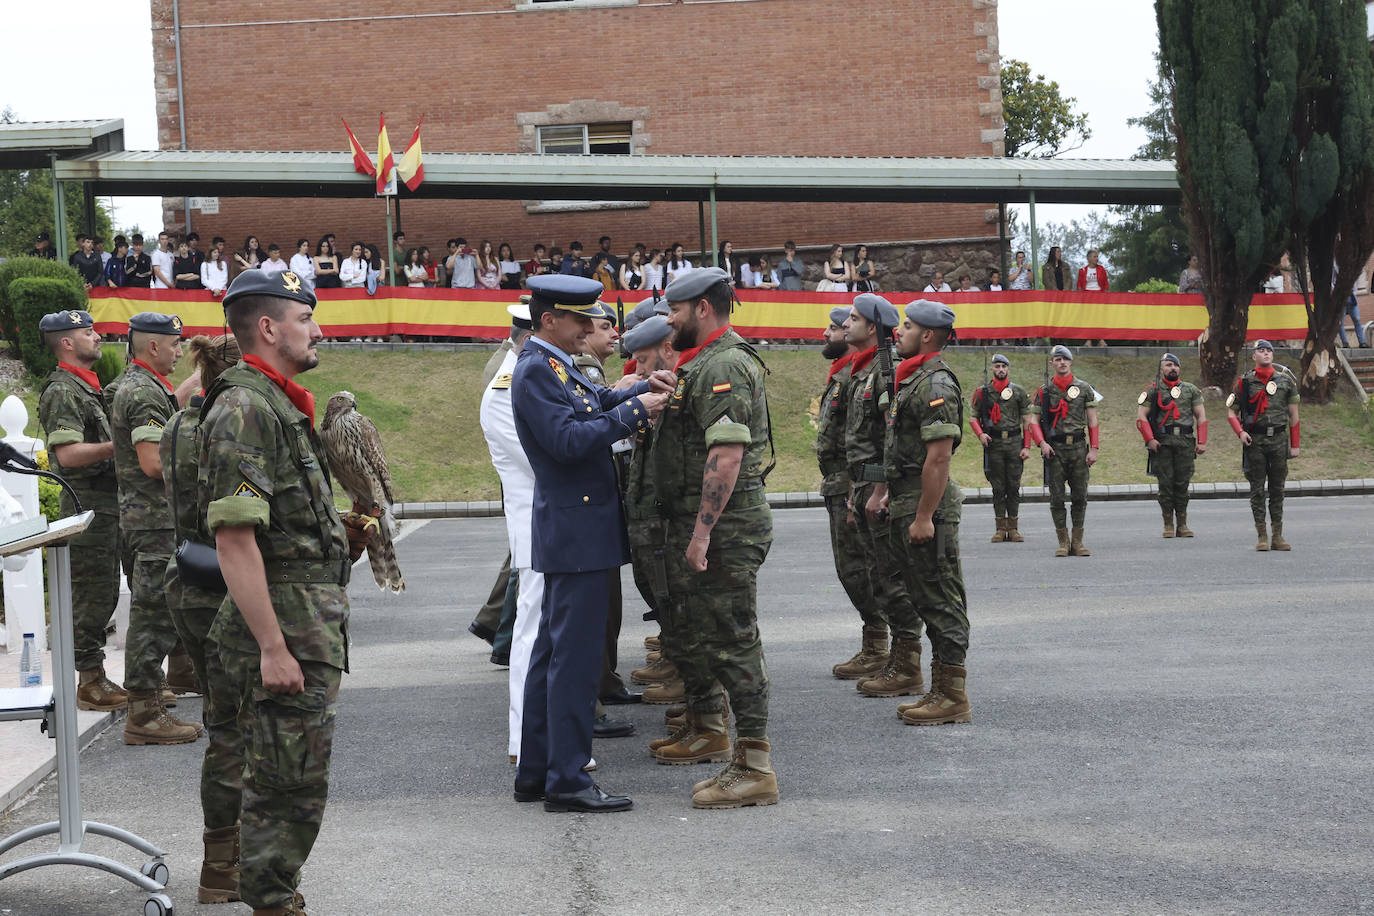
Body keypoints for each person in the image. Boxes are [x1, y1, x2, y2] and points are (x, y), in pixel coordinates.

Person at [199, 269, 373, 915]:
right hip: (285, 629)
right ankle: (272, 903)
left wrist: (336, 537)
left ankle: (276, 895)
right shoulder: (245, 407)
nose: (317, 328)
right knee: (284, 784)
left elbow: (278, 523)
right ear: (269, 328)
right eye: (306, 318)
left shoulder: (276, 403)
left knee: (291, 776)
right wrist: (273, 647)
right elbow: (235, 539)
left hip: (305, 618)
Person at [509, 274, 667, 814]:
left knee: (553, 656)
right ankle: (569, 780)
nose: (589, 328)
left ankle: (537, 772)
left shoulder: (553, 364)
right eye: (580, 319)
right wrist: (632, 412)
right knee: (573, 665)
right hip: (577, 535)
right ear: (549, 319)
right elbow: (568, 440)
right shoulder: (535, 369)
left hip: (578, 531)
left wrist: (638, 389)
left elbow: (593, 398)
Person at [649, 267, 778, 808]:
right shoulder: (703, 364)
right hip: (715, 527)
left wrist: (701, 535)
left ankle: (755, 767)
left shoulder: (724, 363)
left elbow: (726, 455)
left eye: (675, 309)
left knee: (734, 640)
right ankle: (740, 757)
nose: (669, 318)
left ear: (702, 308)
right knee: (717, 639)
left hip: (726, 531)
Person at [159, 332, 247, 905]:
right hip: (230, 585)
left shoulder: (179, 425)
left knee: (224, 725)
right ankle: (227, 867)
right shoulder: (234, 424)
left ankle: (223, 862)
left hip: (189, 578)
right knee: (240, 729)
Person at [110, 311, 202, 745]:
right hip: (153, 524)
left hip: (153, 521)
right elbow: (152, 463)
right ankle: (144, 714)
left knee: (158, 612)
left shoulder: (145, 386)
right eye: (174, 344)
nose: (179, 351)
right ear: (153, 347)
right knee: (152, 615)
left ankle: (150, 706)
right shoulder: (143, 392)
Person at [885, 298, 972, 726]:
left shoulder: (936, 384)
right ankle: (941, 688)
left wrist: (923, 517)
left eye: (907, 326)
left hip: (927, 506)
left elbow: (938, 459)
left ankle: (952, 693)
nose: (899, 332)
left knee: (941, 598)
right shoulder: (913, 379)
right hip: (909, 500)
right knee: (924, 595)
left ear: (928, 335)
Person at [37, 310, 125, 713]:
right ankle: (88, 682)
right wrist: (119, 446)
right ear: (67, 343)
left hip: (105, 506)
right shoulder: (63, 391)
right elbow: (68, 455)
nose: (97, 337)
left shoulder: (87, 387)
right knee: (90, 595)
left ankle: (96, 677)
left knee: (103, 591)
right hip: (86, 505)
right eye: (88, 332)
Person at [845, 294, 927, 700]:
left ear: (874, 328)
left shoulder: (885, 369)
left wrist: (881, 490)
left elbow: (889, 439)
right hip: (863, 485)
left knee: (892, 578)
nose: (846, 323)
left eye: (855, 319)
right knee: (878, 577)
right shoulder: (866, 371)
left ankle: (907, 663)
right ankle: (897, 655)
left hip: (879, 487)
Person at [480, 300, 540, 764]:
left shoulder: (528, 374)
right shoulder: (507, 387)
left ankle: (541, 737)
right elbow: (542, 460)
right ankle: (528, 739)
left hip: (552, 528)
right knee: (533, 636)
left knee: (544, 636)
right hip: (539, 531)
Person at [814, 306, 884, 680]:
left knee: (862, 569)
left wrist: (861, 488)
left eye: (835, 327)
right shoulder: (844, 374)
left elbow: (875, 442)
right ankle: (875, 642)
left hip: (854, 484)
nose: (827, 333)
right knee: (850, 570)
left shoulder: (865, 375)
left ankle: (882, 646)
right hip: (839, 482)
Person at [1226, 339, 1299, 551]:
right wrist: (1240, 433)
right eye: (1261, 350)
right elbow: (1232, 412)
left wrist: (1295, 445)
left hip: (1278, 440)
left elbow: (1294, 416)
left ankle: (1278, 536)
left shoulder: (1286, 382)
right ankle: (1262, 536)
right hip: (1255, 442)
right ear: (1254, 356)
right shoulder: (1244, 383)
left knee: (1277, 489)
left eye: (1269, 351)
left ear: (1273, 356)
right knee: (1257, 489)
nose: (1266, 353)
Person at [1029, 345, 1100, 557]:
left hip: (1078, 448)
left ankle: (1077, 543)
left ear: (1071, 362)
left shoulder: (1085, 388)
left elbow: (1093, 420)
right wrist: (1042, 443)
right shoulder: (1043, 392)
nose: (1062, 362)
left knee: (1080, 496)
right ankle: (1063, 541)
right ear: (1052, 363)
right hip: (1055, 450)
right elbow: (1033, 421)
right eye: (1057, 359)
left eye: (1065, 359)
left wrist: (1094, 448)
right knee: (1056, 498)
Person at [1137, 352, 1207, 538]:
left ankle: (1182, 525)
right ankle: (1168, 524)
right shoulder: (1153, 390)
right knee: (1165, 485)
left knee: (1182, 485)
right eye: (1168, 365)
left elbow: (1201, 417)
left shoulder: (1191, 389)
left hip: (1185, 443)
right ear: (1161, 369)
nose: (1172, 368)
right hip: (1163, 444)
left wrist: (1202, 441)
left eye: (1175, 365)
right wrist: (1150, 439)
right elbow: (1141, 416)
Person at [970, 354, 1034, 542]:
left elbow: (1027, 421)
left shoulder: (1019, 392)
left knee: (1013, 487)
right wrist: (980, 434)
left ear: (1008, 369)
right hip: (994, 445)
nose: (1000, 369)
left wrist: (1027, 446)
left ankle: (1013, 528)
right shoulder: (982, 393)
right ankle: (1000, 528)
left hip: (1014, 444)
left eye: (1003, 366)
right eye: (997, 366)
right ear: (992, 369)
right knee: (998, 488)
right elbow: (973, 417)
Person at [1338, 269, 1368, 348]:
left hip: (1352, 299)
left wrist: (1354, 293)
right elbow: (1332, 283)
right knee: (1340, 322)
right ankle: (1345, 343)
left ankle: (1362, 342)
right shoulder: (1336, 266)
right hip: (1340, 299)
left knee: (1357, 320)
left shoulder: (1353, 269)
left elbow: (1355, 285)